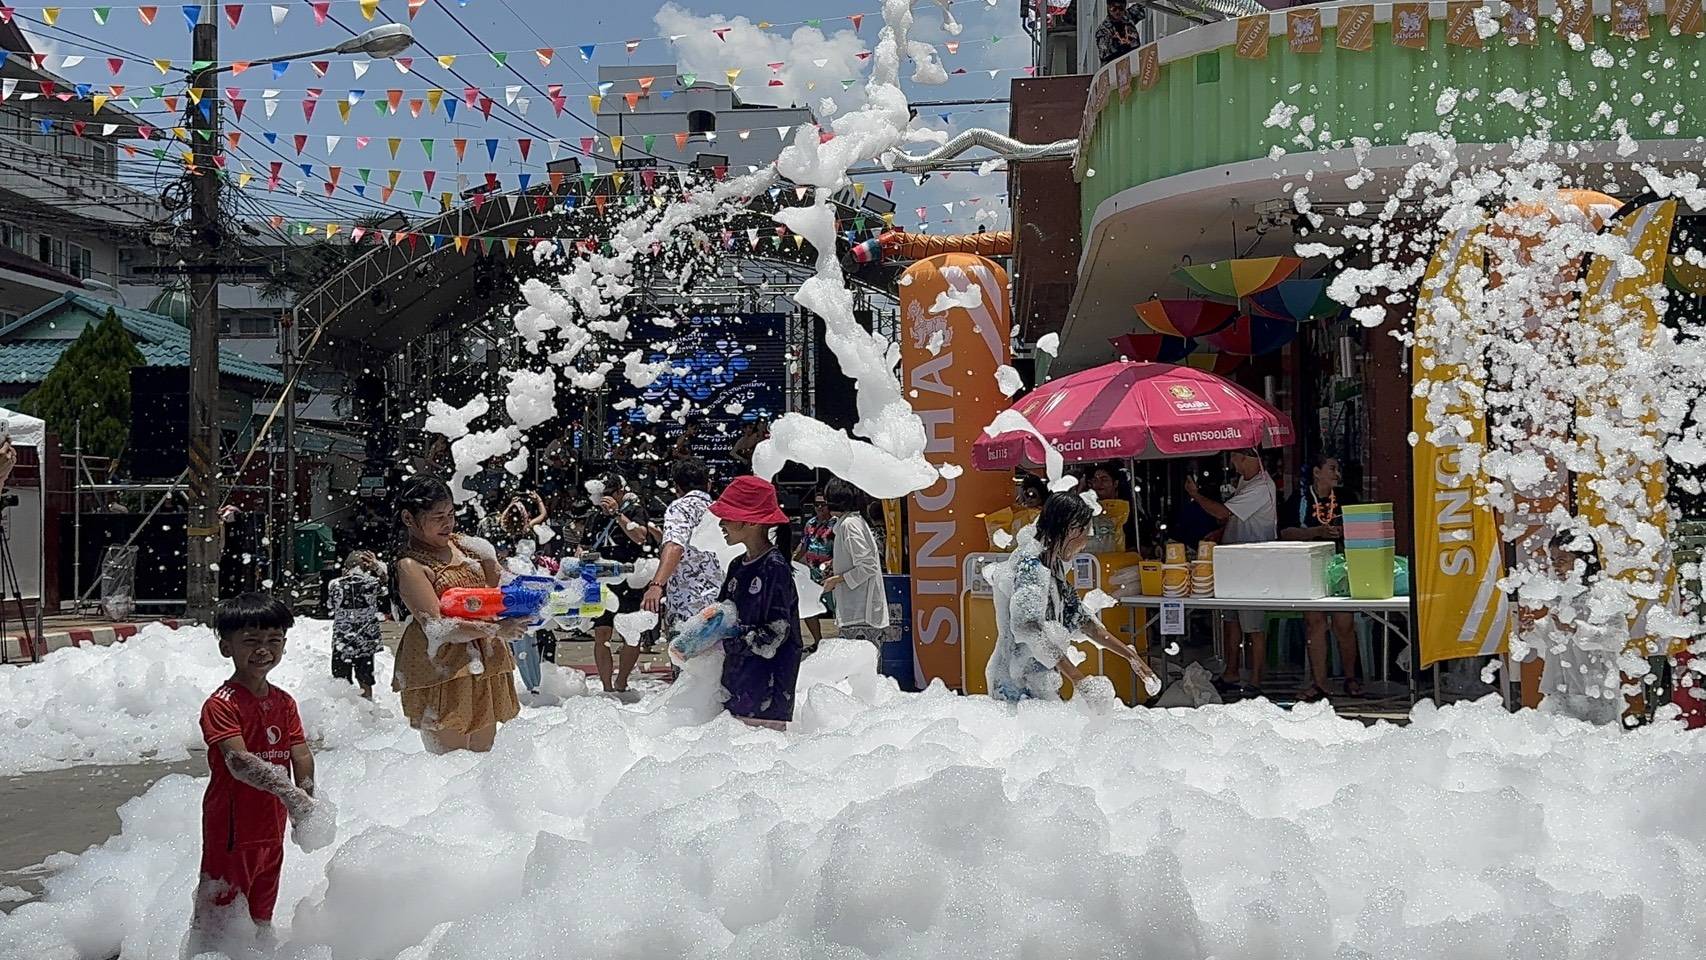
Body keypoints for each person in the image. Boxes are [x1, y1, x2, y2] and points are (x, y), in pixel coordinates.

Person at [187, 593, 320, 955]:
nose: (263, 650)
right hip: (232, 829)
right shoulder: (221, 704)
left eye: (274, 640)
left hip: (271, 828)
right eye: (251, 641)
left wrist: (306, 801)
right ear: (226, 647)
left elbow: (300, 753)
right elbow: (239, 762)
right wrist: (291, 796)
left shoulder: (283, 701)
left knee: (261, 912)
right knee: (219, 916)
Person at [390, 476, 526, 754]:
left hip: (485, 659)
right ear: (408, 518)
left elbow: (505, 586)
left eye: (451, 514)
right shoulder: (410, 565)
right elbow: (437, 627)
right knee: (450, 766)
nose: (448, 523)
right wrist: (496, 630)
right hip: (442, 666)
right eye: (438, 517)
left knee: (483, 757)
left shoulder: (467, 546)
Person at [986, 493, 1159, 702]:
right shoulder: (1030, 566)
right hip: (1013, 683)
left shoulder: (1054, 567)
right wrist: (1079, 679)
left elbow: (1084, 622)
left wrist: (1132, 657)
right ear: (1072, 529)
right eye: (1086, 533)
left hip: (1039, 680)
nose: (1085, 543)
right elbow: (1028, 628)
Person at [710, 475, 804, 729]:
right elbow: (721, 615)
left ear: (751, 521)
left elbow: (774, 634)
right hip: (736, 688)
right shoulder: (737, 565)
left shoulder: (774, 567)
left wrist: (725, 642)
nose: (721, 523)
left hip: (766, 694)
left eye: (727, 516)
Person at [1184, 449, 1278, 695]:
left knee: (1253, 625)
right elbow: (1236, 518)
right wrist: (1221, 533)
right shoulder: (1245, 481)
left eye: (1235, 457)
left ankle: (1256, 679)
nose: (1232, 462)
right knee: (1231, 620)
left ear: (1247, 458)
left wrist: (1196, 495)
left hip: (1253, 564)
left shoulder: (1261, 486)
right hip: (1234, 561)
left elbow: (1222, 512)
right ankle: (1231, 671)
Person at [1281, 452, 1362, 701]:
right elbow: (1285, 532)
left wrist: (1343, 531)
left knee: (1344, 623)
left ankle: (1351, 678)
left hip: (1341, 566)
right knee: (1314, 623)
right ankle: (1319, 683)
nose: (1337, 474)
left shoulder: (1347, 498)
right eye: (1332, 468)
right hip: (1309, 568)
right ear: (1317, 473)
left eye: (1338, 469)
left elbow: (1362, 527)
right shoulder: (1300, 498)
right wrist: (1317, 531)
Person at [587, 472, 659, 698]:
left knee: (631, 634)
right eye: (601, 494)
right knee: (601, 633)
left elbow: (640, 537)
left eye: (609, 493)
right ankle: (606, 687)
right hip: (602, 580)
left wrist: (617, 514)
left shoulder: (634, 511)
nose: (605, 499)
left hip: (630, 580)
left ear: (620, 492)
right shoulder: (594, 517)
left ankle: (622, 681)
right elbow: (585, 546)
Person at [642, 458, 722, 638]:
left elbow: (675, 546)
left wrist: (656, 585)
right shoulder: (719, 510)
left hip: (688, 606)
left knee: (684, 656)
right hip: (719, 604)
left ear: (677, 487)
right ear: (708, 484)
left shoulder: (679, 508)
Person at [821, 479, 889, 646]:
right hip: (858, 612)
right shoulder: (852, 522)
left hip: (860, 612)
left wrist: (836, 579)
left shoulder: (849, 525)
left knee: (858, 660)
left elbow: (868, 566)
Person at [327, 550, 386, 699]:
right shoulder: (372, 583)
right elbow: (387, 584)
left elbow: (330, 605)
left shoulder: (334, 584)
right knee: (365, 679)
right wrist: (377, 567)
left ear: (345, 568)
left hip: (343, 638)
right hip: (366, 638)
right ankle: (368, 705)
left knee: (341, 680)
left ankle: (343, 708)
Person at [795, 487, 836, 646]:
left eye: (823, 504)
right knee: (808, 606)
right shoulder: (810, 524)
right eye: (817, 504)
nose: (819, 507)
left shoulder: (836, 524)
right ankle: (817, 641)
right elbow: (803, 545)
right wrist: (791, 560)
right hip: (811, 572)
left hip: (830, 573)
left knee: (835, 608)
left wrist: (832, 563)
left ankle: (841, 640)